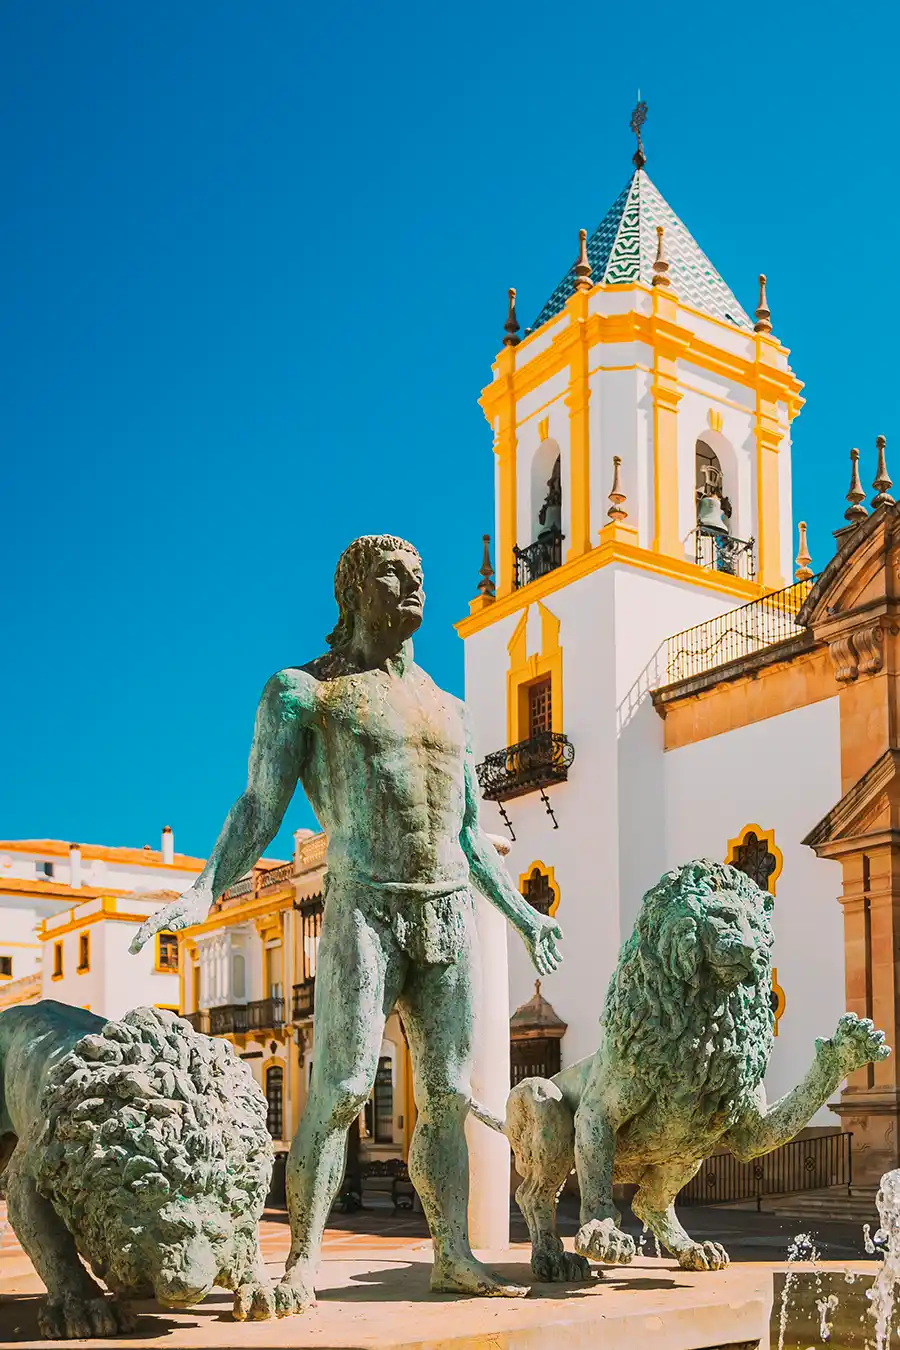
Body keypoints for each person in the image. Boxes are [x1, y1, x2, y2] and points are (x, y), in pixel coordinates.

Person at [131, 534, 563, 1313]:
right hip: (365, 906)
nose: (413, 589)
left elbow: (469, 837)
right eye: (394, 577)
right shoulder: (307, 692)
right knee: (338, 1088)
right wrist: (201, 892)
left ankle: (453, 1253)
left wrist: (526, 915)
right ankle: (301, 1261)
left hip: (447, 910)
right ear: (354, 592)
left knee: (445, 1093)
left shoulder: (451, 710)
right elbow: (258, 808)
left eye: (420, 578)